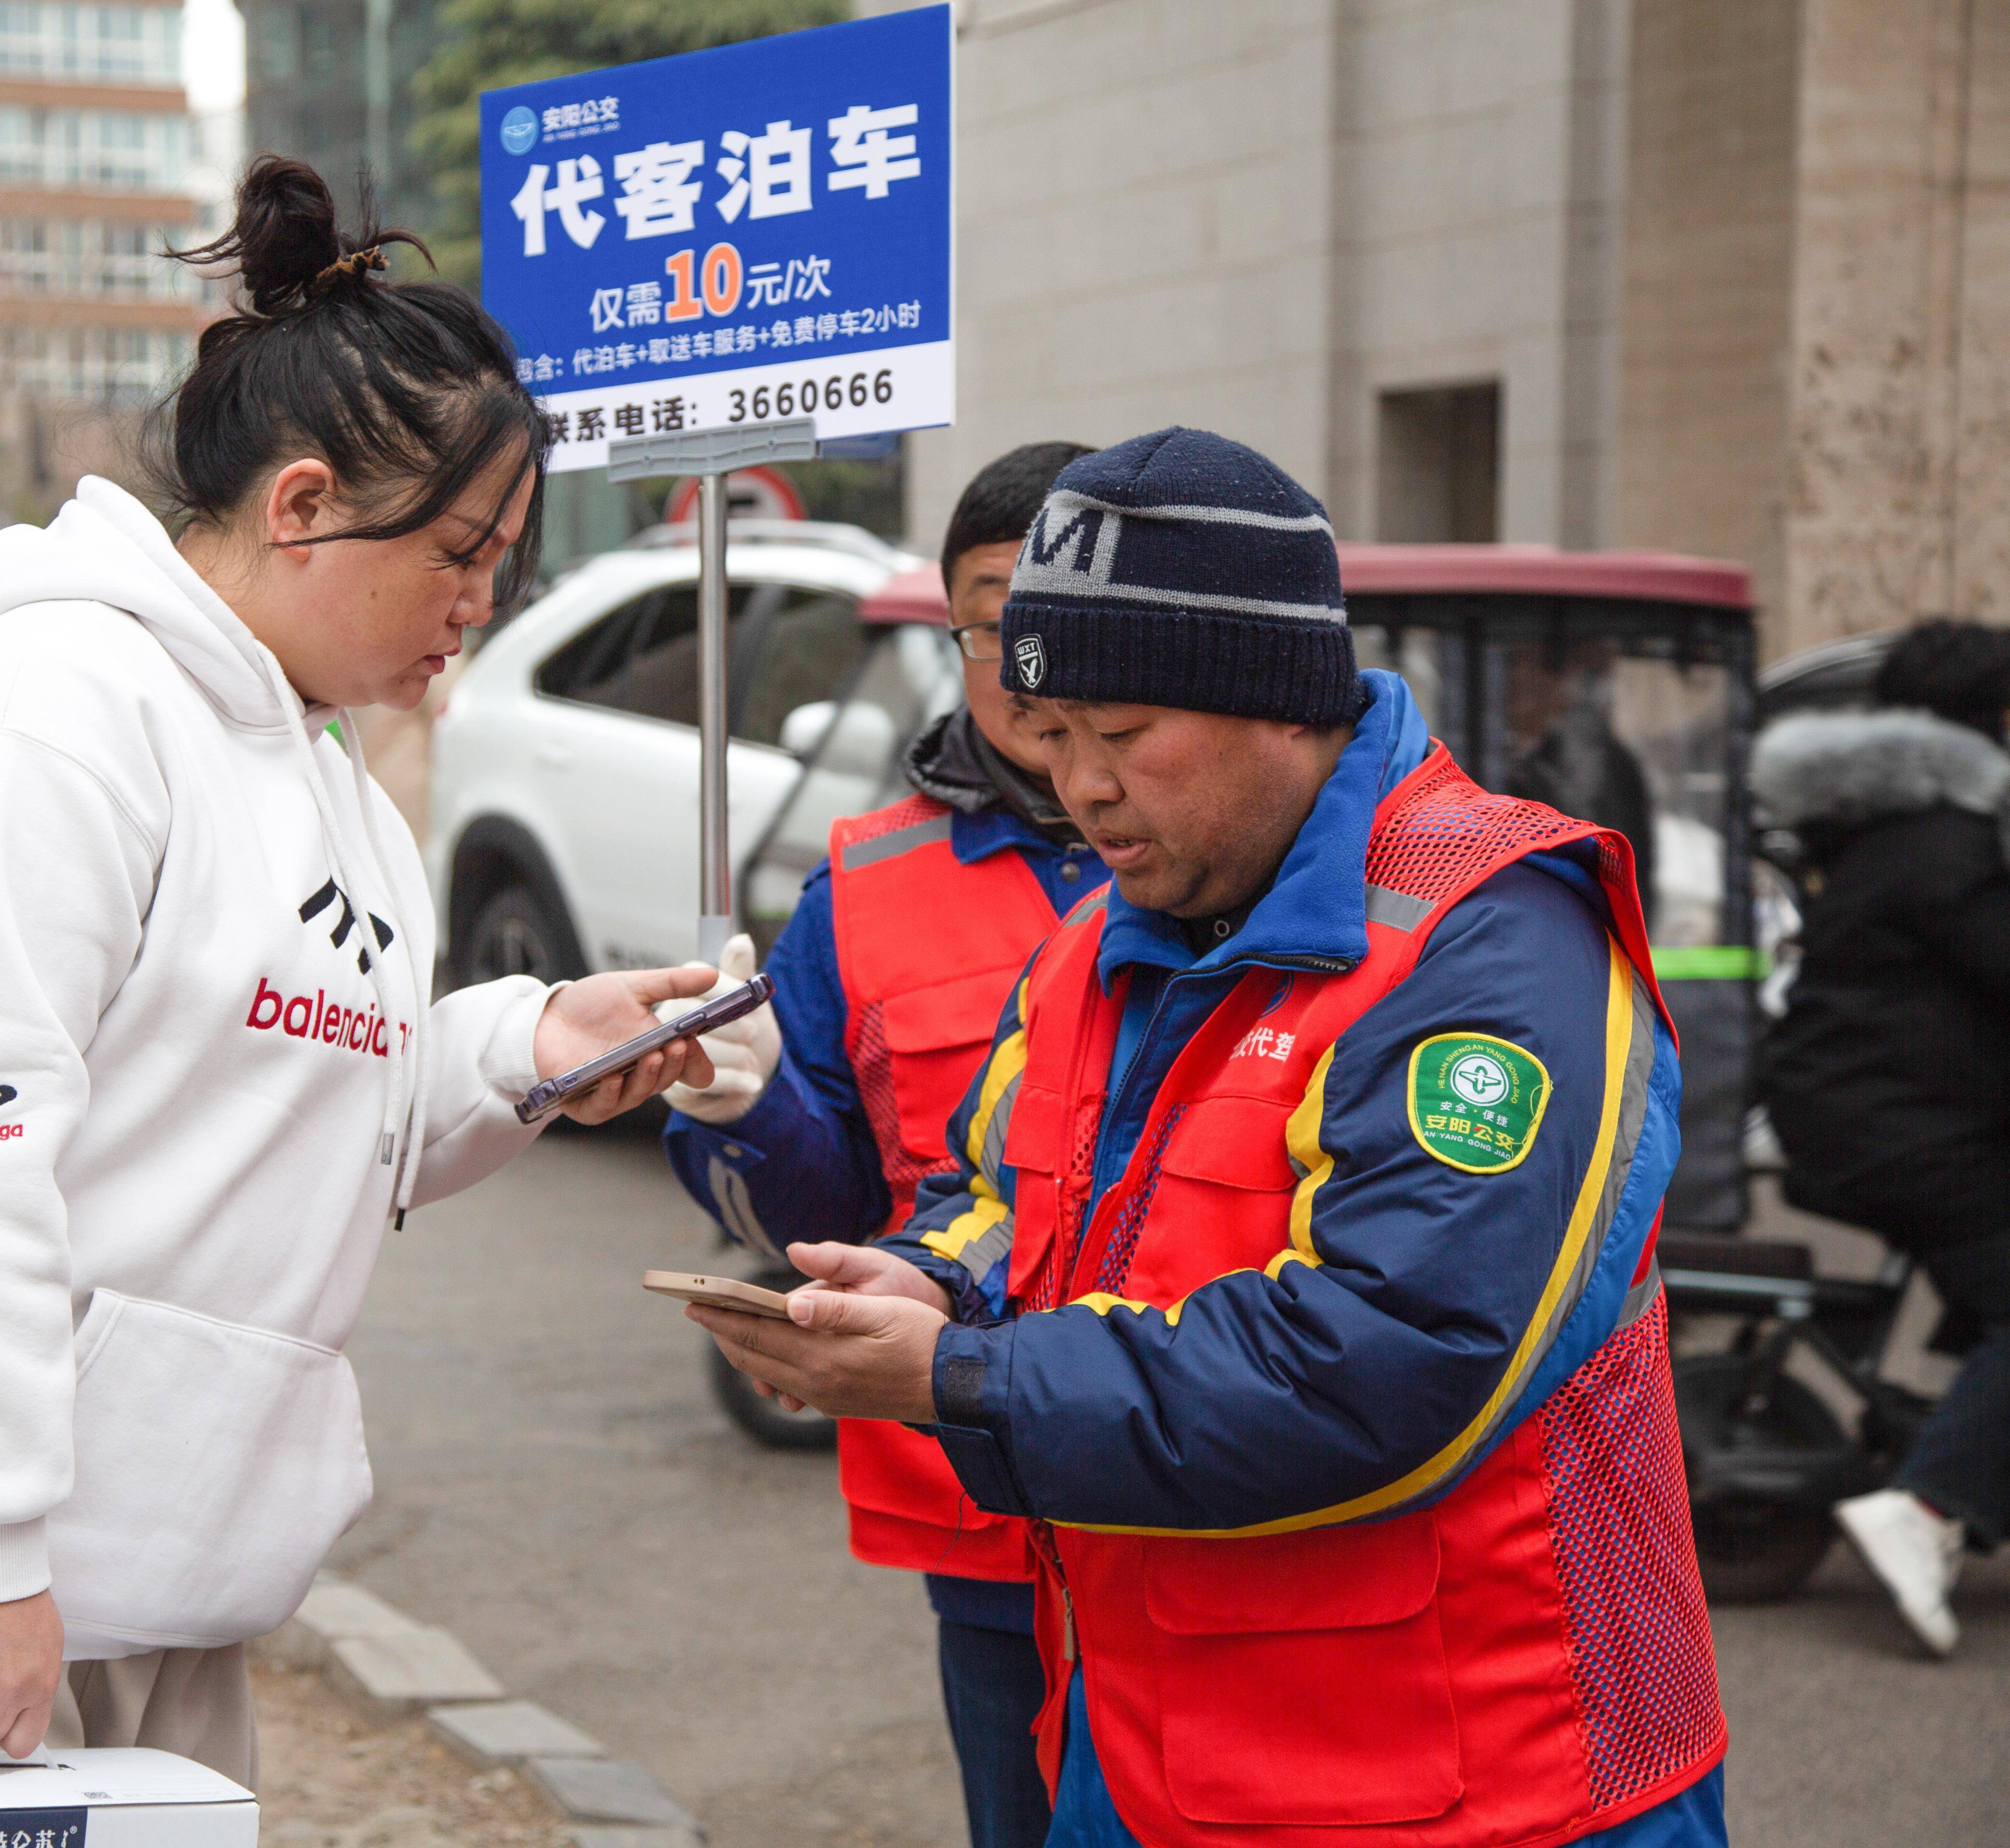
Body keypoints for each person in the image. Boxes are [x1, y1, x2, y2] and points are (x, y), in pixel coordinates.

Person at [0, 157, 716, 1808]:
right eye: (455, 551)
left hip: (151, 1565)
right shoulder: (43, 723)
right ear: (298, 507)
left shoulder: (331, 780)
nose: (479, 606)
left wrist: (523, 1049)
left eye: (503, 555)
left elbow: (281, 1113)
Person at [692, 430, 1727, 1848]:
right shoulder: (1096, 942)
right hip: (1148, 1753)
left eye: (1121, 739)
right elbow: (997, 1187)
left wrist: (966, 1372)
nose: (1083, 790)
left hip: (1490, 1778)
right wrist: (934, 1277)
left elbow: (1397, 1358)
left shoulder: (1493, 938)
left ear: (1279, 701)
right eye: (1051, 741)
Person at [659, 441, 1103, 1848]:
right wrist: (740, 1107)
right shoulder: (870, 880)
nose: (1030, 664)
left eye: (1063, 616)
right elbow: (826, 1199)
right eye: (992, 622)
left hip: (1204, 1479)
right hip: (970, 1485)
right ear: (951, 631)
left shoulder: (1224, 851)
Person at [1754, 617, 2010, 1658]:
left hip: (1872, 1110)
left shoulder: (1892, 827)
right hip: (1892, 1126)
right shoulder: (1949, 844)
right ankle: (1931, 1506)